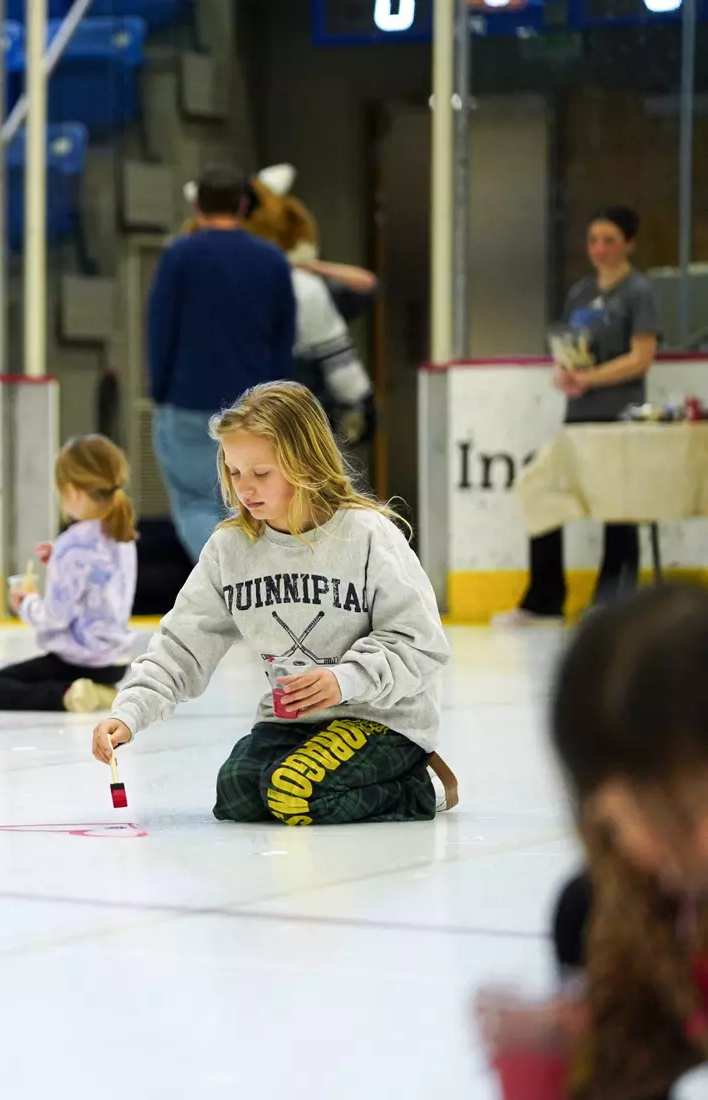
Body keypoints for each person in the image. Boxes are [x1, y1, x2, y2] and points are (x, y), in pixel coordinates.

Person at [91, 381, 459, 825]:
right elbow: (183, 644)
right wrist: (129, 714)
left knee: (292, 793)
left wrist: (345, 679)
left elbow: (420, 642)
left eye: (261, 473)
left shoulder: (366, 535)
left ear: (305, 462)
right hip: (293, 722)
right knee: (237, 796)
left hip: (380, 718)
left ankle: (417, 788)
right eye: (234, 472)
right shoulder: (231, 548)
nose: (244, 488)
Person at [476, 585, 708, 1099]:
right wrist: (575, 1069)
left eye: (684, 814)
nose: (649, 848)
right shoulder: (615, 904)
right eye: (620, 823)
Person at [495, 205, 661, 626]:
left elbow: (641, 358)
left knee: (617, 508)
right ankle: (545, 599)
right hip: (579, 419)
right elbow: (571, 350)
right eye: (593, 240)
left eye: (609, 240)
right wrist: (567, 375)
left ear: (629, 244)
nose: (599, 249)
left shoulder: (639, 292)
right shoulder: (581, 293)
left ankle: (613, 602)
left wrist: (591, 378)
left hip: (619, 419)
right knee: (540, 485)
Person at [148, 162, 297, 565]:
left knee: (197, 503)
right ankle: (262, 584)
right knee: (254, 501)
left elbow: (161, 328)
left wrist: (161, 392)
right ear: (245, 205)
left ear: (196, 206)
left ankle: (229, 581)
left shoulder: (179, 256)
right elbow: (284, 337)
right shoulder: (272, 261)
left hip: (187, 399)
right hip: (256, 407)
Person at [0, 435, 138, 714]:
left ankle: (70, 694)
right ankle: (97, 690)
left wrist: (26, 603)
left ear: (71, 490)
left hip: (79, 661)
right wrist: (58, 557)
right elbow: (95, 575)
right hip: (116, 662)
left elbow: (55, 618)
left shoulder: (72, 545)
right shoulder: (121, 533)